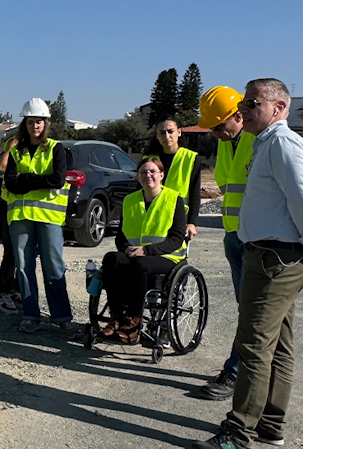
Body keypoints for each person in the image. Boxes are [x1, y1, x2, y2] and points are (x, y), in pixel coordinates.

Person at [193, 78, 303, 449]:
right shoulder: (265, 144)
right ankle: (271, 424)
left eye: (253, 103)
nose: (245, 110)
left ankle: (238, 433)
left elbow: (305, 202)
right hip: (263, 251)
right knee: (279, 343)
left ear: (279, 107)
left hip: (275, 258)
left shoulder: (283, 144)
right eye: (245, 103)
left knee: (254, 343)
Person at [195, 86, 256, 401]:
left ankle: (234, 373)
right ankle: (243, 370)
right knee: (245, 310)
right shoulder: (228, 145)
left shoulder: (260, 142)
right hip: (233, 237)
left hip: (256, 242)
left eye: (219, 126)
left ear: (238, 116)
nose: (215, 133)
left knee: (252, 315)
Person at [4, 98, 80, 339]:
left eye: (39, 121)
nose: (35, 126)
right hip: (20, 217)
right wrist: (37, 181)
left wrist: (26, 179)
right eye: (30, 122)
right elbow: (11, 183)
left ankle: (62, 318)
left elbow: (57, 180)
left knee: (53, 266)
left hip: (48, 217)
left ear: (46, 123)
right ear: (24, 123)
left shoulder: (57, 148)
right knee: (24, 268)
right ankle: (30, 316)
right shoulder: (15, 150)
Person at [97, 157, 187, 343]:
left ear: (161, 175)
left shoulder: (173, 199)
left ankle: (133, 322)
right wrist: (125, 248)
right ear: (138, 177)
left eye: (153, 171)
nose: (148, 175)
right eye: (143, 172)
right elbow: (121, 235)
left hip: (167, 257)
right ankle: (116, 316)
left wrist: (147, 251)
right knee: (111, 259)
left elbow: (177, 238)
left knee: (140, 264)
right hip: (135, 255)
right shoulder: (130, 200)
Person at [144, 115, 201, 240]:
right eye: (162, 133)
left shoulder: (190, 158)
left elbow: (195, 194)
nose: (166, 136)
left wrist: (192, 223)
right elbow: (140, 191)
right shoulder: (149, 159)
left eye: (170, 131)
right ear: (157, 136)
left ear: (179, 132)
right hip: (153, 216)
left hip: (179, 218)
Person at [0, 144, 23, 314]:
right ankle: (3, 292)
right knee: (11, 253)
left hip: (29, 207)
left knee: (27, 254)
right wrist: (12, 148)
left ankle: (16, 291)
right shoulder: (15, 143)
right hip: (10, 206)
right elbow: (2, 167)